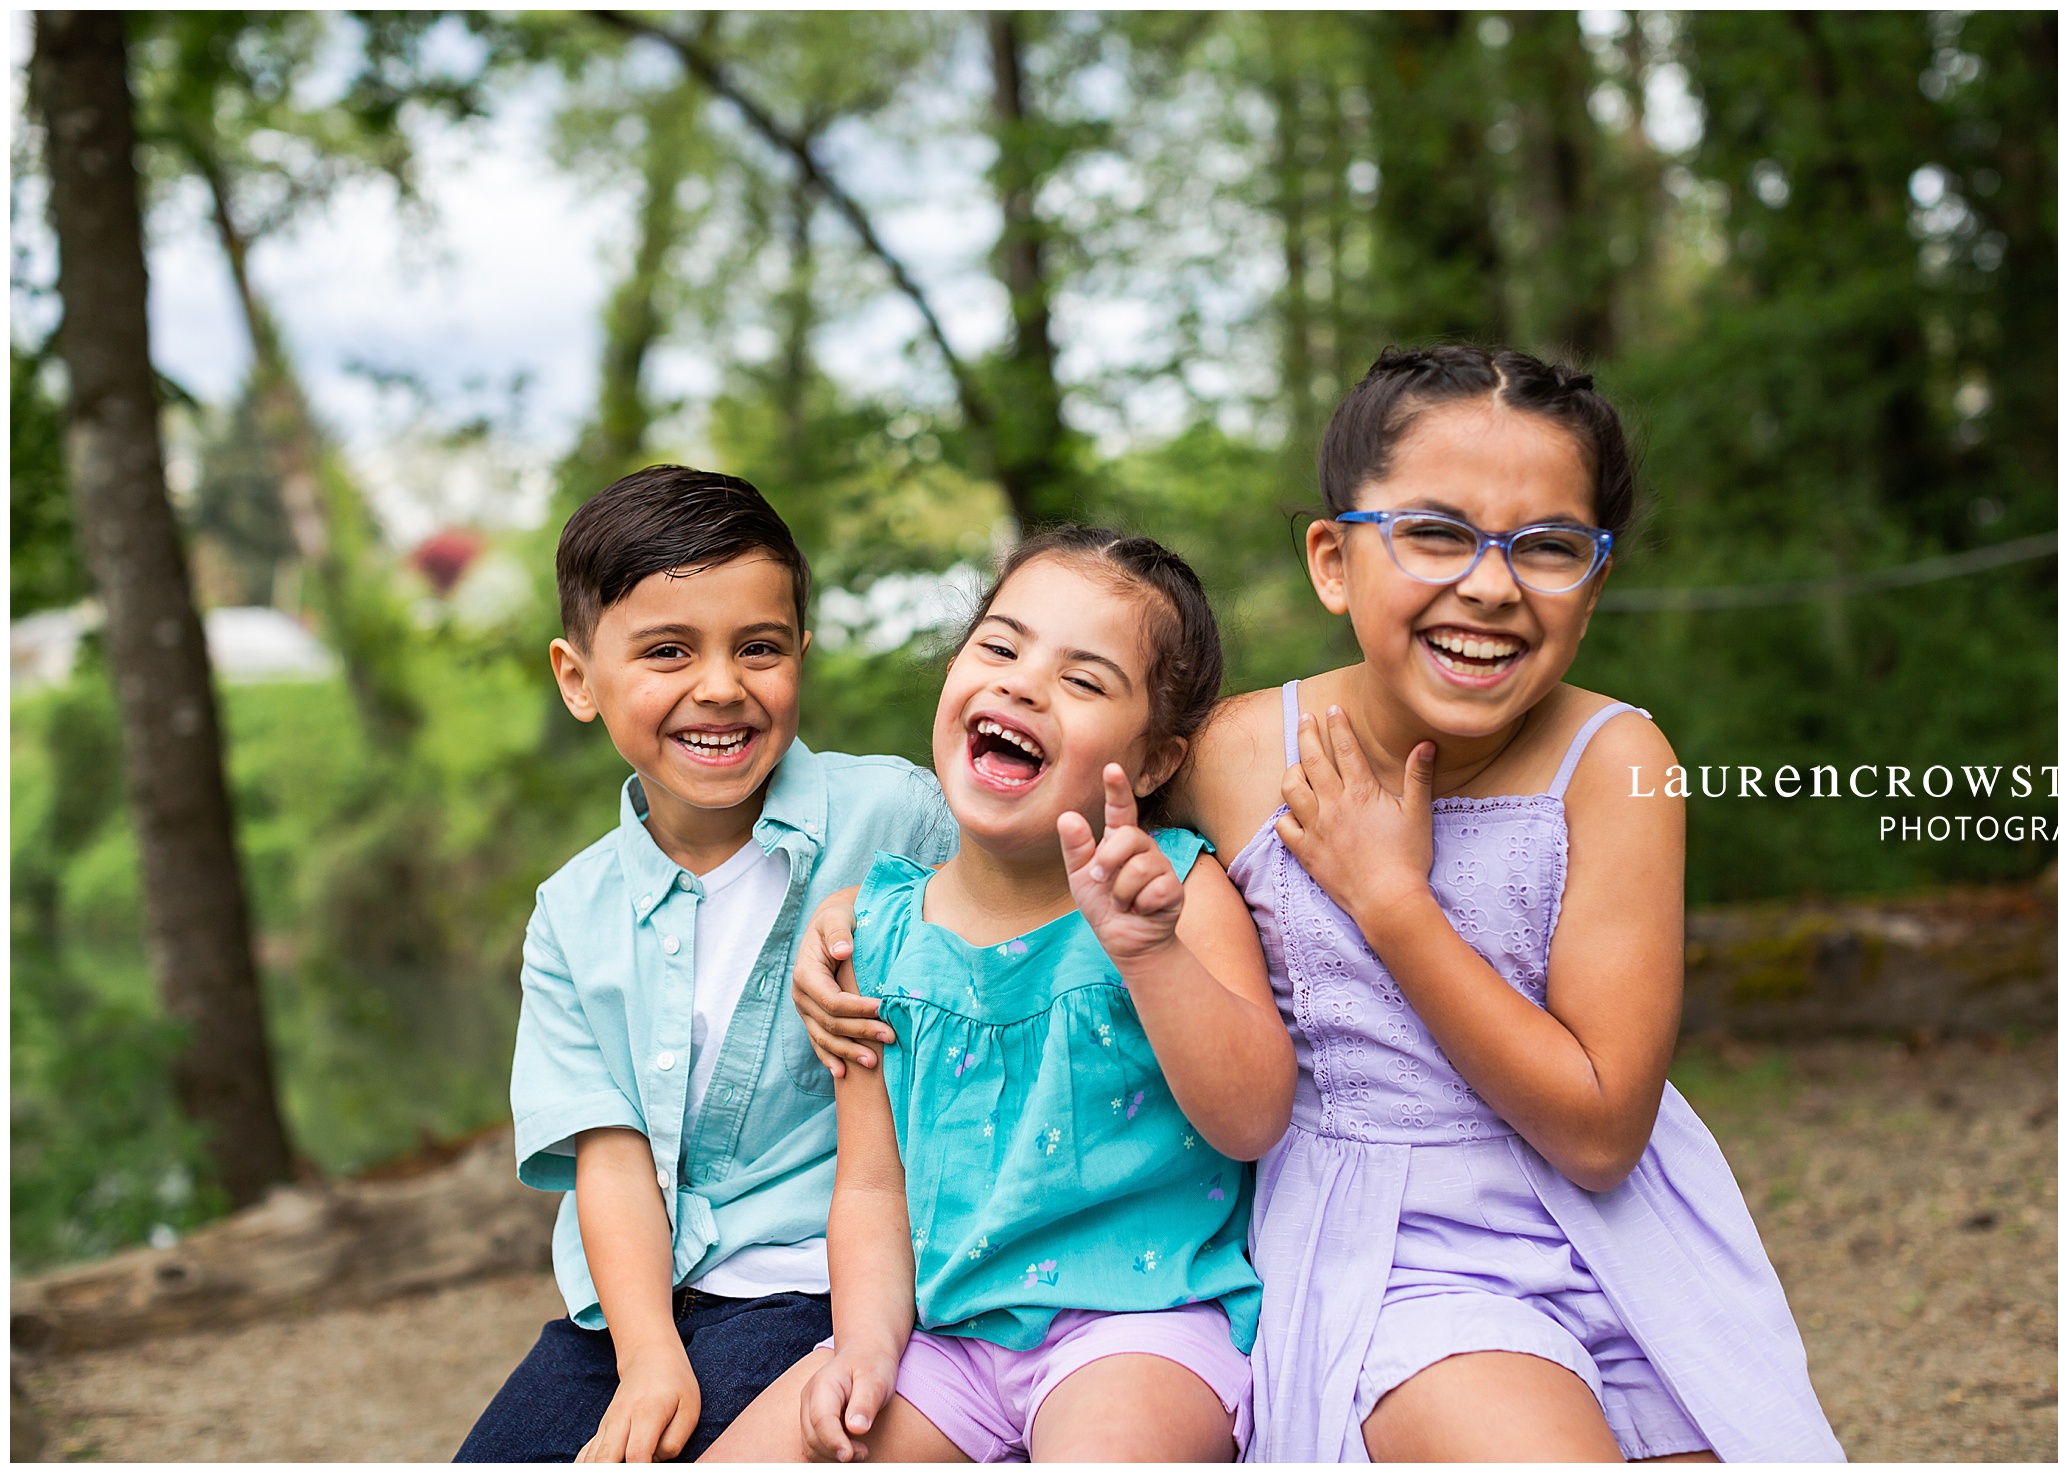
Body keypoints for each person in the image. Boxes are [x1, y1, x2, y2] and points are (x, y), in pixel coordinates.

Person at [794, 348, 1846, 1462]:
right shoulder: (1242, 752)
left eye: (1546, 548)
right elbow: (1039, 807)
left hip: (1625, 1241)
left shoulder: (1616, 759)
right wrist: (855, 913)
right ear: (1333, 561)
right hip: (1400, 1255)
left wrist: (1392, 902)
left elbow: (1598, 1131)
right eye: (1435, 534)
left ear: (1594, 581)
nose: (1489, 584)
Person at [701, 528, 1296, 1463]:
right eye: (1001, 646)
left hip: (1139, 1323)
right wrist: (862, 1345)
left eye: (1085, 680)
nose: (1022, 683)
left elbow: (1255, 1116)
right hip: (943, 1338)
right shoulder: (879, 931)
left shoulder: (1176, 890)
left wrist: (1149, 956)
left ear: (1151, 764)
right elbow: (869, 1185)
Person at [457, 466, 955, 1463]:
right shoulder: (570, 914)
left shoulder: (900, 820)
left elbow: (1030, 927)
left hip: (827, 1286)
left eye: (758, 649)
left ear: (800, 658)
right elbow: (608, 1153)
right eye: (667, 651)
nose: (720, 686)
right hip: (637, 1303)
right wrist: (647, 1355)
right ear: (578, 678)